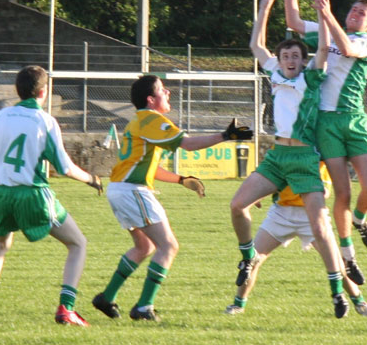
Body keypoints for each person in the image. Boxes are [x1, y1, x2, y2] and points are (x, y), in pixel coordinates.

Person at [230, 0, 349, 318]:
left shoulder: (310, 77)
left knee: (321, 227)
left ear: (302, 60)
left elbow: (324, 50)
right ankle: (245, 256)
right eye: (286, 55)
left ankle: (337, 292)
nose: (291, 59)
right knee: (238, 205)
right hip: (277, 156)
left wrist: (321, 11)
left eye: (296, 55)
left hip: (303, 158)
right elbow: (256, 44)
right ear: (280, 60)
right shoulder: (273, 72)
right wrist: (265, 4)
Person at [91, 74, 252, 322]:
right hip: (133, 190)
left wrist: (180, 179)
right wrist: (225, 136)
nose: (168, 93)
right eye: (163, 90)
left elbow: (150, 168)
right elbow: (186, 144)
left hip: (121, 189)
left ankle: (106, 297)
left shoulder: (139, 121)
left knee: (144, 247)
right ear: (151, 99)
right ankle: (144, 307)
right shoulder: (151, 118)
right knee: (169, 246)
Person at [271, 0, 367, 286]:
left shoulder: (365, 42)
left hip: (354, 121)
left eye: (362, 13)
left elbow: (345, 48)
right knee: (342, 194)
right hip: (326, 124)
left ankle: (360, 221)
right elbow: (292, 21)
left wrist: (325, 12)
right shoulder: (328, 29)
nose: (355, 13)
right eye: (354, 9)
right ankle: (348, 257)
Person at [0, 65, 103, 327]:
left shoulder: (0, 117)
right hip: (33, 195)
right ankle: (67, 309)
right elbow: (64, 168)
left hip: (1, 194)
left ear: (17, 91)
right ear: (43, 91)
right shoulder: (45, 121)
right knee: (78, 244)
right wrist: (91, 179)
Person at [225, 162, 367, 318]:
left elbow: (333, 180)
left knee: (338, 266)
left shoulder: (318, 150)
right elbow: (273, 176)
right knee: (253, 260)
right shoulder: (286, 149)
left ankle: (359, 302)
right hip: (281, 214)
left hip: (313, 216)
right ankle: (238, 304)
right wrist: (257, 194)